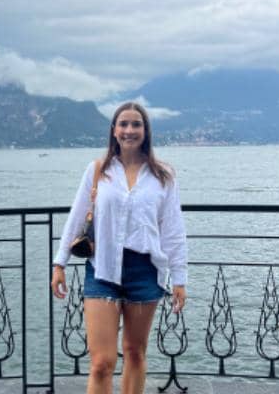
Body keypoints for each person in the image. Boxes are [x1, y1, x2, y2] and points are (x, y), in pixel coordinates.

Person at [51, 102, 188, 394]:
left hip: (145, 272)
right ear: (114, 130)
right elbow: (77, 216)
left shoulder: (163, 176)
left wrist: (179, 279)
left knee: (135, 353)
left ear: (145, 131)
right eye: (123, 124)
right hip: (102, 270)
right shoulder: (98, 170)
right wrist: (59, 263)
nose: (129, 130)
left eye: (136, 124)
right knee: (101, 362)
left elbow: (173, 230)